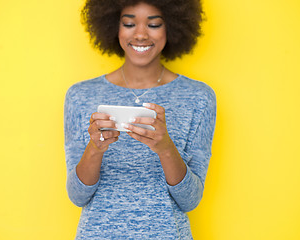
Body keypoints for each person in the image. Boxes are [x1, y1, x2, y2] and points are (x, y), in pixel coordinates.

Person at [64, 0, 216, 239]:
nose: (141, 34)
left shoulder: (199, 97)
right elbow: (77, 196)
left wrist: (165, 148)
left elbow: (190, 200)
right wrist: (95, 148)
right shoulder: (80, 96)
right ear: (115, 26)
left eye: (154, 24)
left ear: (172, 27)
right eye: (129, 23)